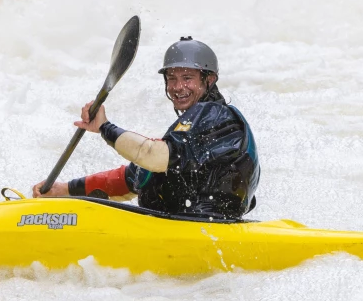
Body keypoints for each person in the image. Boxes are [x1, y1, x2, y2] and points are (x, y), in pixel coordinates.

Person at [33, 37, 260, 219]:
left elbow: (152, 156)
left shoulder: (215, 115)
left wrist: (105, 128)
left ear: (209, 80)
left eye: (187, 78)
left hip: (202, 228)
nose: (178, 87)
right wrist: (64, 190)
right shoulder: (191, 133)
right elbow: (131, 178)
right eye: (172, 79)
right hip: (191, 223)